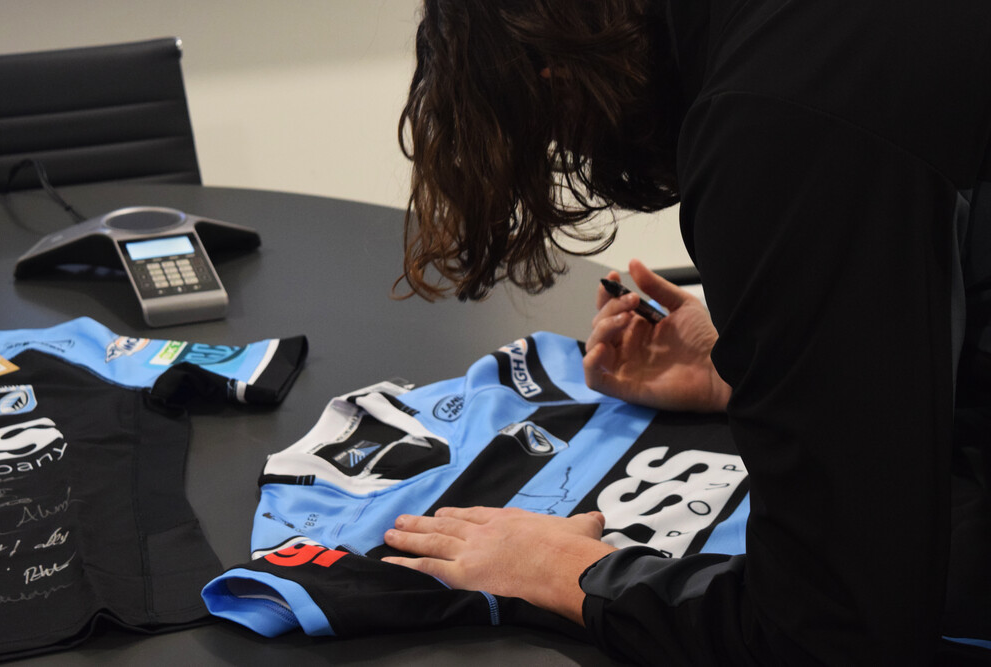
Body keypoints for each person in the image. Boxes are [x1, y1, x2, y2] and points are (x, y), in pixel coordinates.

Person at [381, 0, 991, 663]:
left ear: (552, 73)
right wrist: (758, 373)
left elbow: (835, 628)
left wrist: (570, 573)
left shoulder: (775, 118)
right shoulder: (802, 47)